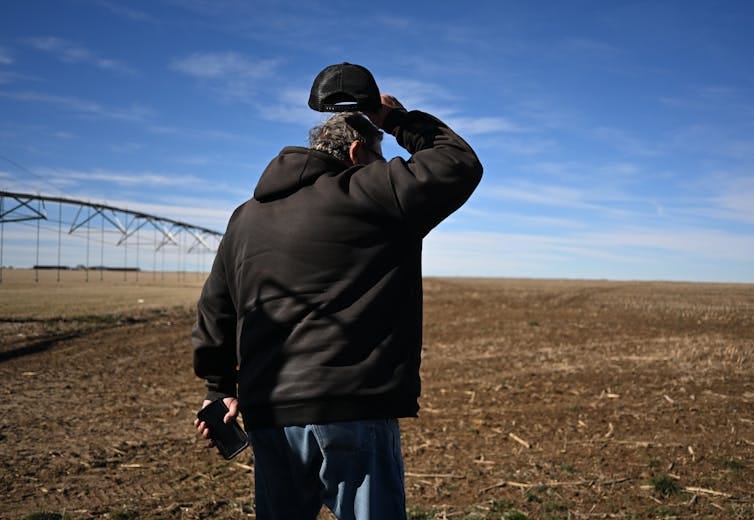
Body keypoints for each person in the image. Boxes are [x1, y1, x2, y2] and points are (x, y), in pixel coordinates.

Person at [193, 66, 483, 519]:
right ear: (356, 152)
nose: (385, 166)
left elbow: (216, 309)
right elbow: (457, 163)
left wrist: (218, 389)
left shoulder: (245, 217)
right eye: (379, 156)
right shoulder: (371, 193)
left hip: (269, 413)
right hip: (352, 408)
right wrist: (395, 119)